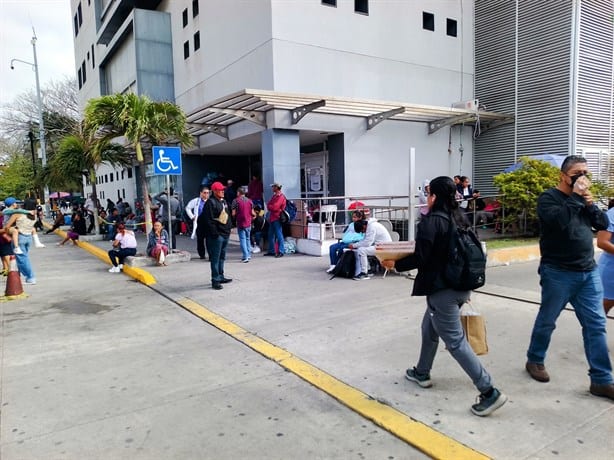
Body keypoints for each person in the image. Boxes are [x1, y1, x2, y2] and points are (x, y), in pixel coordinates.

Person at [381, 176, 507, 416]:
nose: (426, 197)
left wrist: (394, 264)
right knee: (429, 328)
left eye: (428, 192)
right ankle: (421, 372)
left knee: (455, 341)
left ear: (435, 196)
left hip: (443, 291)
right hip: (461, 285)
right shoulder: (459, 217)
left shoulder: (431, 222)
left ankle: (489, 391)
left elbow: (421, 257)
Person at [525, 155, 613, 401]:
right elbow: (558, 222)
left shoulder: (583, 200)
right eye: (576, 173)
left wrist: (589, 203)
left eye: (585, 172)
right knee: (547, 320)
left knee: (596, 325)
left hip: (588, 272)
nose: (582, 177)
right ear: (563, 176)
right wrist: (575, 197)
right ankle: (535, 359)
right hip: (558, 272)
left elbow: (601, 223)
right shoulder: (548, 199)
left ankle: (602, 380)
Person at [202, 181, 232, 290]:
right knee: (215, 258)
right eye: (220, 190)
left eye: (223, 189)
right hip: (217, 236)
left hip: (225, 233)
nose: (223, 191)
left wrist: (229, 229)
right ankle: (215, 280)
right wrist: (215, 234)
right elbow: (208, 220)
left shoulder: (224, 202)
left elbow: (228, 216)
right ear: (214, 191)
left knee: (222, 257)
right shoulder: (210, 203)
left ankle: (221, 276)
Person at [3, 198, 38, 284]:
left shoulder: (17, 214)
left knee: (22, 259)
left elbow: (7, 226)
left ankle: (30, 277)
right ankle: (20, 277)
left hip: (19, 238)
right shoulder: (34, 215)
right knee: (24, 258)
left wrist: (7, 231)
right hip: (28, 237)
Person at [597, 199, 614, 318]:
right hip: (611, 272)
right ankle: (593, 337)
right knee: (599, 315)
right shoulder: (612, 214)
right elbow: (602, 242)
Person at [185, 186, 209, 259]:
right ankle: (202, 254)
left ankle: (211, 254)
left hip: (208, 223)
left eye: (208, 193)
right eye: (204, 193)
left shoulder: (210, 201)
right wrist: (192, 216)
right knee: (200, 239)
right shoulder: (196, 201)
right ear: (201, 193)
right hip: (199, 222)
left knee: (209, 239)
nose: (206, 194)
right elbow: (188, 208)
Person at [231, 187, 255, 262]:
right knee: (247, 239)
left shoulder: (235, 201)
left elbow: (233, 213)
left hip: (240, 223)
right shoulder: (250, 201)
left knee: (242, 240)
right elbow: (253, 213)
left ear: (238, 193)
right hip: (248, 223)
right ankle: (249, 254)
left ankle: (246, 256)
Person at [265, 182, 286, 258]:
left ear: (277, 187)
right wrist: (271, 206)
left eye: (273, 187)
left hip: (277, 217)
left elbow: (275, 207)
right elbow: (269, 205)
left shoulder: (281, 197)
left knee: (279, 234)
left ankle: (281, 251)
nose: (272, 188)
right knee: (271, 235)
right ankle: (272, 251)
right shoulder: (275, 196)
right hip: (273, 217)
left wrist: (270, 206)